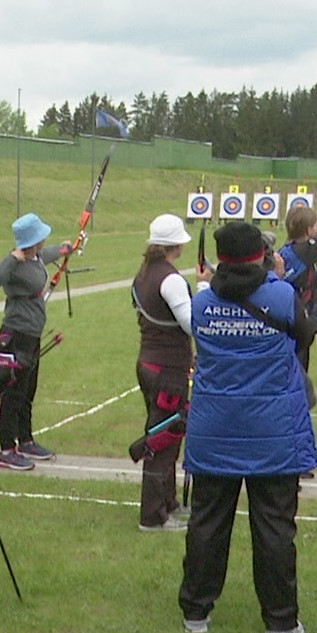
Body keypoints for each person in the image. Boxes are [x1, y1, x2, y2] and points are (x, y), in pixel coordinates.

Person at [178, 221, 316, 633]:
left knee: (207, 522)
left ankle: (196, 613)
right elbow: (305, 335)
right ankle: (280, 621)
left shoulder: (202, 303)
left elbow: (206, 319)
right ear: (260, 255)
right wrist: (275, 276)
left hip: (214, 427)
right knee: (274, 526)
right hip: (272, 431)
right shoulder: (280, 293)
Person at [131, 214, 204, 531]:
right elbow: (192, 323)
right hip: (167, 369)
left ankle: (168, 502)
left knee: (168, 437)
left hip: (151, 363)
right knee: (162, 441)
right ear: (177, 244)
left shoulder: (143, 273)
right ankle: (153, 516)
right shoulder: (171, 279)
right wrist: (203, 288)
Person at [0, 212, 70, 471]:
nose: (45, 240)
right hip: (16, 335)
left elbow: (46, 255)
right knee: (13, 392)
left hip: (31, 335)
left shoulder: (35, 257)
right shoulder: (16, 263)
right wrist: (13, 257)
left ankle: (26, 440)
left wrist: (66, 248)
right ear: (33, 240)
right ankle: (7, 449)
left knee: (28, 389)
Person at [276, 203, 317, 372]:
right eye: (314, 226)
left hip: (289, 319)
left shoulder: (289, 250)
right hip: (299, 322)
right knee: (297, 371)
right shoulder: (302, 252)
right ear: (308, 230)